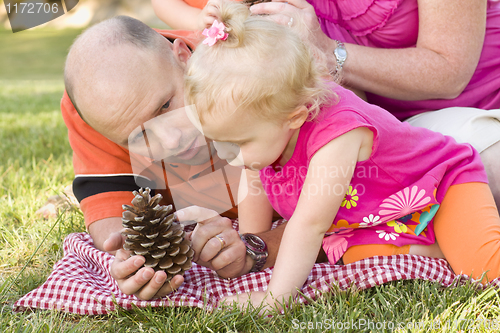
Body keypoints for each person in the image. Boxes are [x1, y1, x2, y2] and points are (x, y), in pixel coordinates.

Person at [184, 1, 500, 312]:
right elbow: (254, 191)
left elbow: (310, 225)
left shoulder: (338, 134)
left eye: (238, 144)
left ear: (295, 117)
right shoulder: (268, 126)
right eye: (221, 143)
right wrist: (246, 251)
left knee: (485, 271)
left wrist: (276, 298)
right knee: (361, 259)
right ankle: (441, 243)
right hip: (375, 215)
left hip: (438, 187)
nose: (233, 158)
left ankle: (459, 235)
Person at [62, 15, 297, 301]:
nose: (172, 141)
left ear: (184, 55)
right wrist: (134, 259)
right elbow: (109, 208)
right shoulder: (98, 104)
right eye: (138, 137)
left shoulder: (264, 66)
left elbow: (352, 212)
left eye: (164, 105)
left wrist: (256, 248)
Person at [249, 0, 500, 210]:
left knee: (487, 162)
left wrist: (326, 51)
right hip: (375, 124)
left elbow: (449, 74)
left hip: (473, 110)